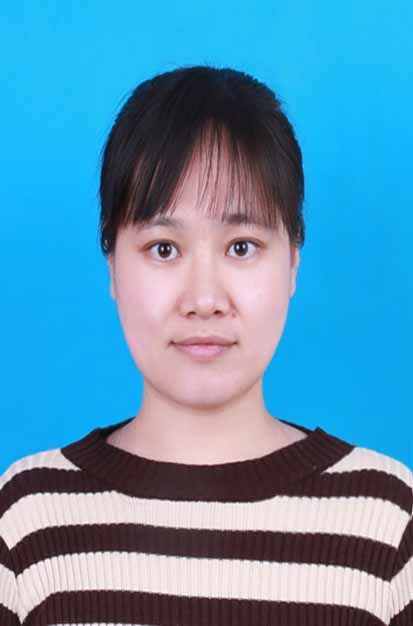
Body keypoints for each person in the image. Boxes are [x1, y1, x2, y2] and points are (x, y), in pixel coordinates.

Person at [0, 65, 411, 626]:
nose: (204, 299)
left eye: (241, 246)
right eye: (164, 248)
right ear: (112, 265)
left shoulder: (388, 522)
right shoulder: (25, 522)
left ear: (293, 261)